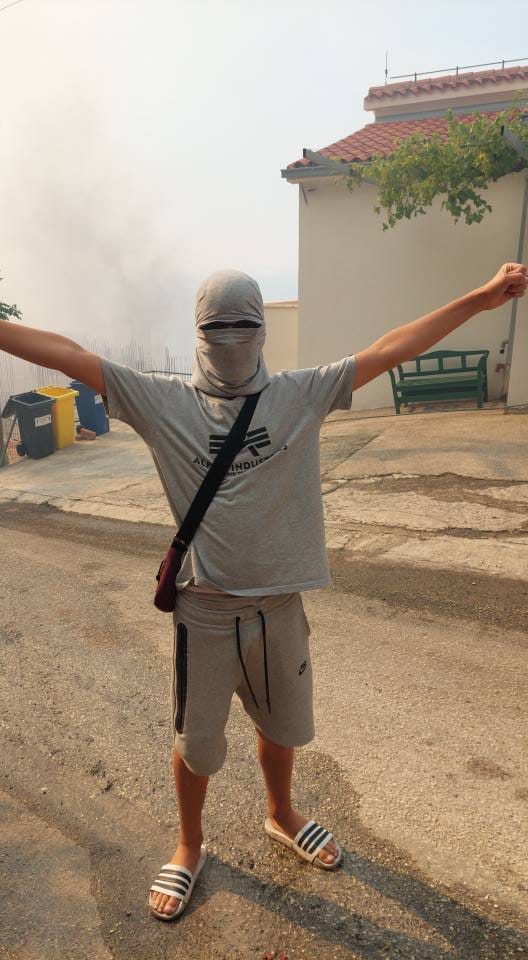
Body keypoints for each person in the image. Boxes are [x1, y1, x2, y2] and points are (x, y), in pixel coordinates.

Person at [1, 262, 526, 921]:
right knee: (196, 744)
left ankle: (281, 813)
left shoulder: (300, 394)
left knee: (283, 728)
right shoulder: (161, 401)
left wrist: (479, 298)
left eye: (244, 324)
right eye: (216, 327)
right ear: (196, 331)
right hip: (203, 611)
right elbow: (69, 354)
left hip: (280, 605)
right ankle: (189, 844)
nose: (231, 338)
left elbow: (392, 348)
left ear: (263, 331)